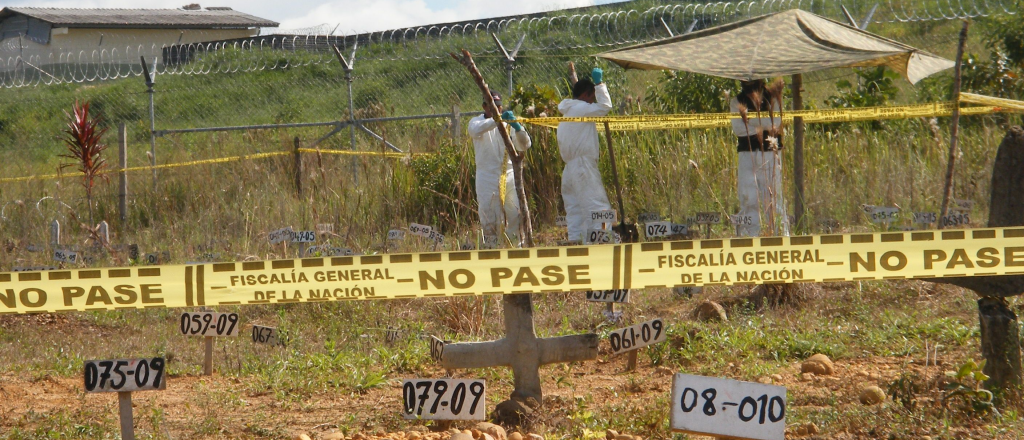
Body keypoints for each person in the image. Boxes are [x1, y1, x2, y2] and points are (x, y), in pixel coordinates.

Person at [467, 91, 532, 247]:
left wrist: (517, 127)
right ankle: (491, 248)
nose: (496, 110)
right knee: (490, 216)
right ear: (484, 106)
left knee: (514, 212)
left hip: (508, 174)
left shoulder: (507, 122)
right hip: (486, 176)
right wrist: (496, 120)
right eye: (492, 107)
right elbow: (475, 131)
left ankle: (515, 246)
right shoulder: (476, 122)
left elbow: (525, 145)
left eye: (498, 107)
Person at [557, 67, 613, 242]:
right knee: (598, 207)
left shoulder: (566, 113)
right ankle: (602, 246)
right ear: (588, 94)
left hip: (569, 170)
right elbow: (605, 107)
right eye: (593, 97)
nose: (593, 102)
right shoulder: (581, 108)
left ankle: (577, 245)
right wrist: (600, 84)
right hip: (583, 166)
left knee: (576, 212)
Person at [730, 79, 789, 237]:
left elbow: (776, 122)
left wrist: (752, 123)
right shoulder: (736, 101)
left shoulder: (773, 98)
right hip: (746, 153)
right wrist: (763, 125)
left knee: (773, 194)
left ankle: (781, 234)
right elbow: (739, 129)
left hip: (770, 151)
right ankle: (749, 235)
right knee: (748, 195)